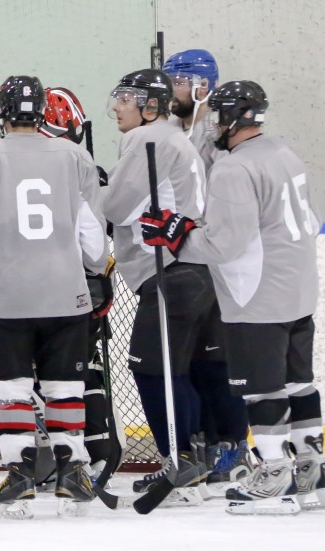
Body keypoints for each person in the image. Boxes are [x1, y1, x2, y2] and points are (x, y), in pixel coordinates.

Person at [140, 80, 325, 515]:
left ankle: (274, 478)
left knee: (261, 390)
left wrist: (176, 237)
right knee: (298, 381)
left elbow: (225, 245)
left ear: (229, 119)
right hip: (298, 288)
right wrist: (183, 229)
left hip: (256, 294)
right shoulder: (284, 152)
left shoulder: (233, 168)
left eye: (217, 119)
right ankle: (312, 471)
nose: (213, 128)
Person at [0, 76, 107, 519]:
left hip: (3, 296)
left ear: (2, 111)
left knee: (10, 390)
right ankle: (74, 472)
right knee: (66, 388)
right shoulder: (74, 155)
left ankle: (19, 473)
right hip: (65, 295)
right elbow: (95, 243)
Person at [102, 69, 211, 503]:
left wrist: (90, 188)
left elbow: (116, 207)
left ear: (151, 105)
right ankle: (191, 458)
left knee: (150, 369)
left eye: (127, 98)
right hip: (193, 272)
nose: (116, 106)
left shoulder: (150, 140)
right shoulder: (171, 139)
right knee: (175, 371)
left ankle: (178, 459)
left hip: (170, 270)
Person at [162, 49, 253, 489]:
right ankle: (206, 442)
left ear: (201, 85)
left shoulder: (217, 134)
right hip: (189, 258)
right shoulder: (173, 131)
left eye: (176, 81)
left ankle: (234, 443)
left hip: (220, 262)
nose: (168, 89)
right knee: (193, 361)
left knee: (220, 361)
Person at [39, 86, 116, 481]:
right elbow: (97, 239)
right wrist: (102, 275)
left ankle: (61, 455)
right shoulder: (82, 161)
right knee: (82, 369)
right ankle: (93, 451)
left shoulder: (32, 159)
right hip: (78, 285)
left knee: (50, 373)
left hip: (41, 287)